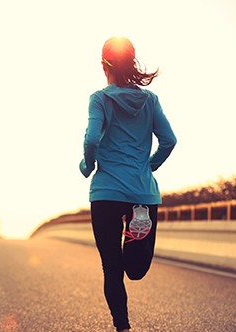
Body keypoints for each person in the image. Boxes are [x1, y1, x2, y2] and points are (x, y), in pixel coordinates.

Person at [79, 36, 177, 332]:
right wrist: (148, 167)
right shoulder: (150, 100)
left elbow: (92, 139)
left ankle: (122, 327)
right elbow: (169, 141)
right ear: (131, 63)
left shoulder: (100, 98)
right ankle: (137, 223)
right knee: (135, 270)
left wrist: (88, 164)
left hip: (107, 192)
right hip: (143, 191)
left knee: (112, 267)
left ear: (102, 64)